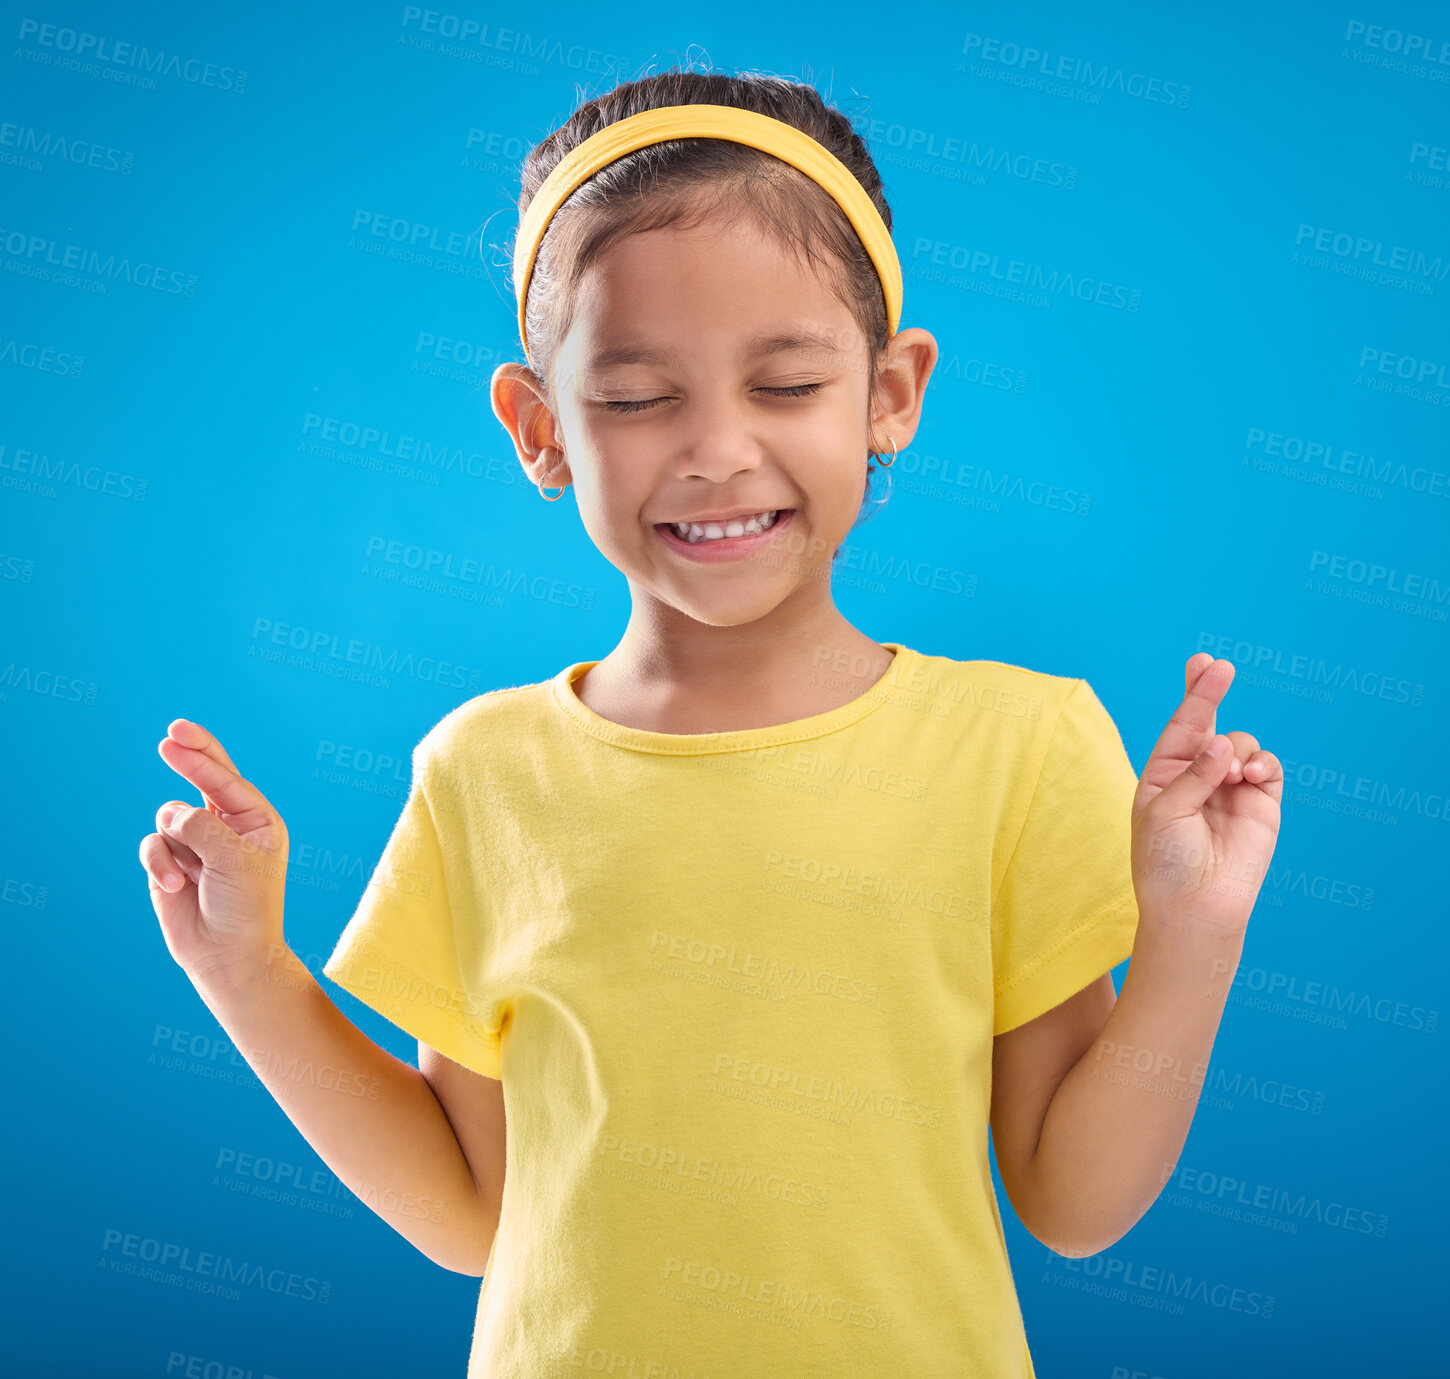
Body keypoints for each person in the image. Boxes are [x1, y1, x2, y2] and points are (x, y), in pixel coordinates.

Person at [139, 66, 1284, 1379]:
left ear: (890, 395)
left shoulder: (1017, 746)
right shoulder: (486, 769)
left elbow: (1073, 1207)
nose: (717, 451)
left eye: (787, 384)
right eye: (634, 397)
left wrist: (1192, 938)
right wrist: (241, 971)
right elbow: (469, 1213)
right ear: (539, 426)